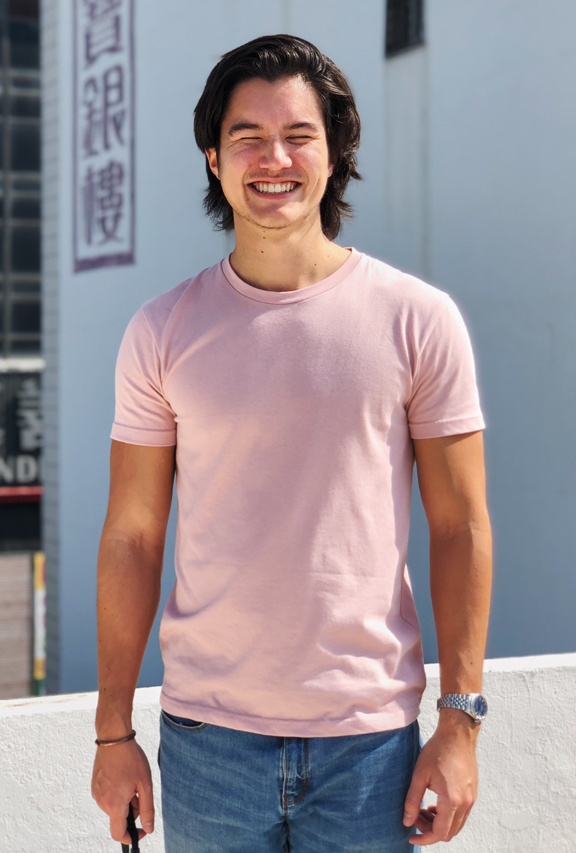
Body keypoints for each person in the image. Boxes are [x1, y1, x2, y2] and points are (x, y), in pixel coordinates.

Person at [91, 34, 492, 852]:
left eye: (298, 135)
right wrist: (111, 733)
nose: (273, 158)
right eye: (247, 136)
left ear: (335, 152)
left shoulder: (418, 320)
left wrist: (460, 723)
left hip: (371, 747)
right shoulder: (161, 332)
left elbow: (461, 527)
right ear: (213, 157)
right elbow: (132, 535)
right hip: (207, 746)